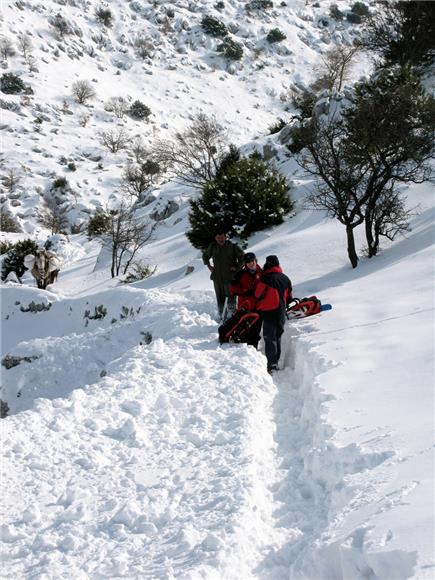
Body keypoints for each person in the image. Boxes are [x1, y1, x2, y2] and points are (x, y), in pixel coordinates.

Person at [254, 255, 292, 373]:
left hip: (269, 311)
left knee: (269, 338)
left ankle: (272, 364)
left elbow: (257, 294)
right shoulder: (285, 278)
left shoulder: (266, 279)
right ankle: (276, 360)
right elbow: (289, 297)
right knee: (277, 336)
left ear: (268, 264)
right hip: (281, 312)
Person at [202, 231, 244, 319]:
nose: (220, 239)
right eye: (218, 237)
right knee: (220, 297)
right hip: (217, 277)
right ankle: (222, 316)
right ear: (215, 238)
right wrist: (209, 266)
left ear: (225, 237)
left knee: (231, 297)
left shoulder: (232, 247)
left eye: (222, 237)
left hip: (230, 277)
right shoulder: (213, 247)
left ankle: (232, 316)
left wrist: (236, 267)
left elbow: (243, 258)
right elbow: (205, 256)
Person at [229, 252, 263, 348]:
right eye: (248, 262)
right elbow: (232, 289)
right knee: (245, 330)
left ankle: (254, 351)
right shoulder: (240, 274)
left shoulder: (262, 273)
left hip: (258, 307)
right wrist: (244, 291)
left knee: (256, 331)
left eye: (252, 261)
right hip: (245, 307)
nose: (251, 263)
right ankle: (245, 352)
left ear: (255, 261)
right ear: (245, 264)